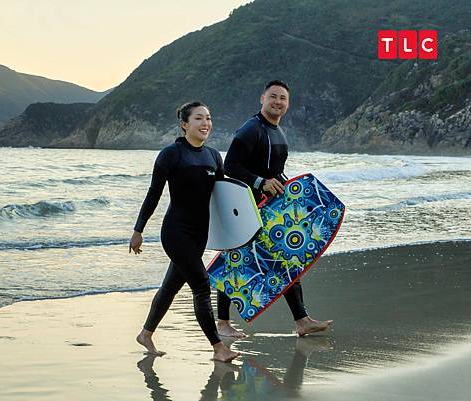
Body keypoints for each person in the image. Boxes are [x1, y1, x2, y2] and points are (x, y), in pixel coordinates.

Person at [216, 80, 333, 338]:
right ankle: (222, 323)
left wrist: (288, 187)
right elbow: (230, 166)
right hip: (246, 206)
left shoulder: (277, 131)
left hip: (269, 207)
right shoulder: (250, 129)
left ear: (288, 104)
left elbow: (273, 170)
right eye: (273, 97)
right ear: (262, 98)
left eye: (283, 98)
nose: (278, 102)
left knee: (286, 258)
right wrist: (260, 183)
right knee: (233, 262)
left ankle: (302, 320)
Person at [130, 101, 239, 362]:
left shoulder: (213, 156)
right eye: (199, 119)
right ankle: (217, 348)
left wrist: (234, 232)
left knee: (171, 286)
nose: (205, 124)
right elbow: (153, 194)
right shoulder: (171, 154)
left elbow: (222, 198)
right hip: (176, 232)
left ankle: (145, 334)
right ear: (184, 124)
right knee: (202, 285)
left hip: (200, 232)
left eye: (209, 119)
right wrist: (138, 230)